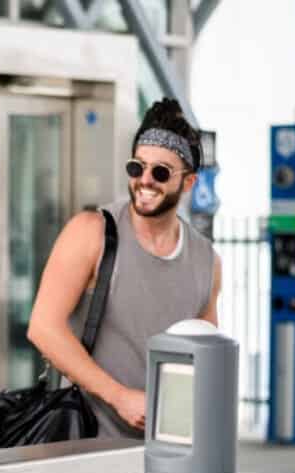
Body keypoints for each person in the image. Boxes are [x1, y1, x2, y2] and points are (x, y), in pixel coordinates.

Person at [27, 98, 222, 439]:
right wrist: (119, 397)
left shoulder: (206, 261)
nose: (145, 181)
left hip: (169, 450)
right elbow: (43, 327)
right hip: (85, 446)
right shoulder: (92, 232)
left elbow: (204, 360)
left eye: (160, 172)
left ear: (188, 182)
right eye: (137, 167)